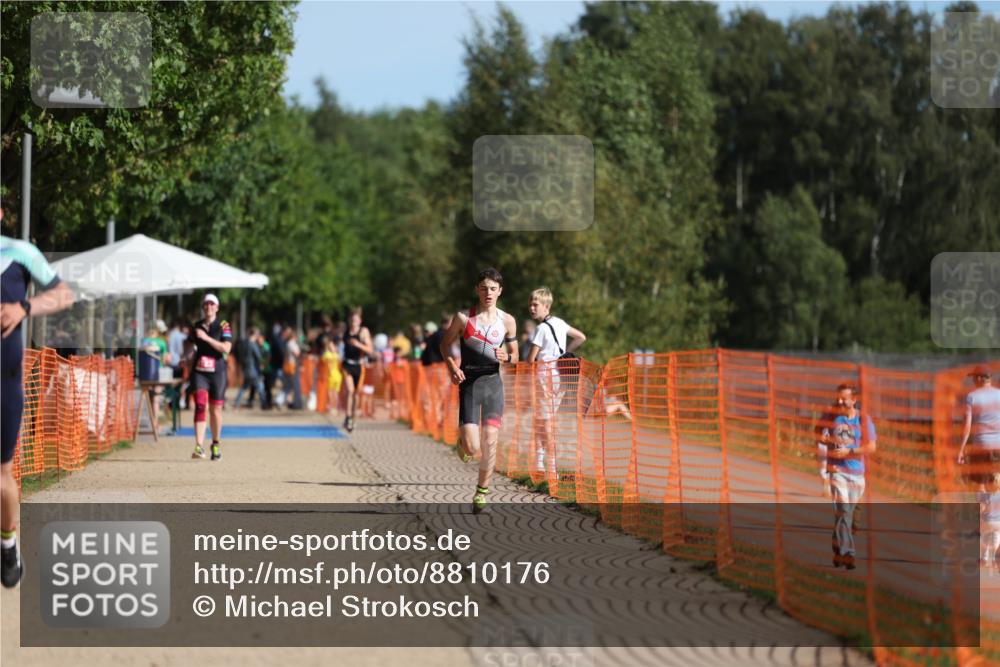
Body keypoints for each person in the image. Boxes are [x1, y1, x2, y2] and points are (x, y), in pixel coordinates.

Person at [1, 217, 76, 588]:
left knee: (3, 477)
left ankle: (8, 542)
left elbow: (65, 295)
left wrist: (23, 308)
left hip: (5, 383)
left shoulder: (19, 253)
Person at [440, 268, 517, 514]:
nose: (488, 293)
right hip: (470, 385)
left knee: (491, 442)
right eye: (484, 288)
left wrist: (509, 356)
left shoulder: (507, 320)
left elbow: (516, 355)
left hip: (494, 385)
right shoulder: (464, 318)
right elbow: (445, 345)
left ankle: (481, 492)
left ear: (500, 291)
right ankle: (463, 445)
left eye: (493, 289)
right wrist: (452, 366)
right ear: (477, 290)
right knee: (473, 448)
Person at [526, 287, 587, 474]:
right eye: (531, 304)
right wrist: (565, 352)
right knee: (546, 419)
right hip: (560, 376)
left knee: (544, 422)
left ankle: (549, 465)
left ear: (546, 306)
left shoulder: (541, 329)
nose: (532, 308)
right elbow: (581, 337)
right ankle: (540, 462)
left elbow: (531, 359)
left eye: (535, 304)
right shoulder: (559, 322)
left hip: (545, 377)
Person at [819, 383, 877, 570]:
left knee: (846, 516)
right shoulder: (830, 415)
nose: (840, 401)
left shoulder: (863, 420)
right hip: (837, 471)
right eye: (838, 397)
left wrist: (850, 451)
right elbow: (818, 434)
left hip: (857, 474)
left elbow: (871, 447)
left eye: (844, 398)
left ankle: (838, 548)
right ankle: (848, 554)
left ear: (854, 399)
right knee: (844, 511)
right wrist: (827, 440)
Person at [187, 294, 232, 461]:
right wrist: (187, 357)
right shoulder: (196, 326)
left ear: (217, 307)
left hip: (218, 371)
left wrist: (205, 338)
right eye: (206, 304)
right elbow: (191, 347)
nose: (209, 307)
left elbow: (226, 348)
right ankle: (199, 446)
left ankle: (216, 443)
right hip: (199, 371)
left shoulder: (224, 325)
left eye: (212, 304)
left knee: (215, 410)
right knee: (200, 405)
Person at [957, 366, 1000, 491]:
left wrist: (962, 449)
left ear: (980, 378)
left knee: (980, 484)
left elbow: (967, 425)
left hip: (981, 445)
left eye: (974, 378)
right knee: (996, 480)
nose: (973, 381)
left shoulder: (972, 396)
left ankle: (985, 508)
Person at [341, 310, 374, 432]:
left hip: (359, 366)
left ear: (360, 321)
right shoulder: (346, 332)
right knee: (349, 390)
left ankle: (353, 418)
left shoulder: (363, 332)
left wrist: (358, 344)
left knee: (356, 393)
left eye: (355, 320)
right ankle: (348, 416)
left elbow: (370, 349)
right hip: (347, 365)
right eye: (351, 320)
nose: (353, 323)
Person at [232, 327, 265, 410]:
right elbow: (259, 356)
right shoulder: (253, 344)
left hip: (245, 368)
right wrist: (261, 347)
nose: (258, 336)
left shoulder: (244, 343)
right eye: (257, 334)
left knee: (244, 387)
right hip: (253, 369)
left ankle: (236, 403)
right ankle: (264, 404)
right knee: (260, 387)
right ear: (255, 335)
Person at [980, 472, 1000, 572]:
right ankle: (993, 561)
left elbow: (982, 508)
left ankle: (984, 559)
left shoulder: (985, 496)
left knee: (984, 539)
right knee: (995, 540)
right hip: (998, 523)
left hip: (986, 522)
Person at [321, 336, 344, 416]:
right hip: (338, 375)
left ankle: (332, 407)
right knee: (335, 393)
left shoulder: (327, 354)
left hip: (331, 375)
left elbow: (323, 362)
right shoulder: (337, 355)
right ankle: (335, 408)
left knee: (331, 392)